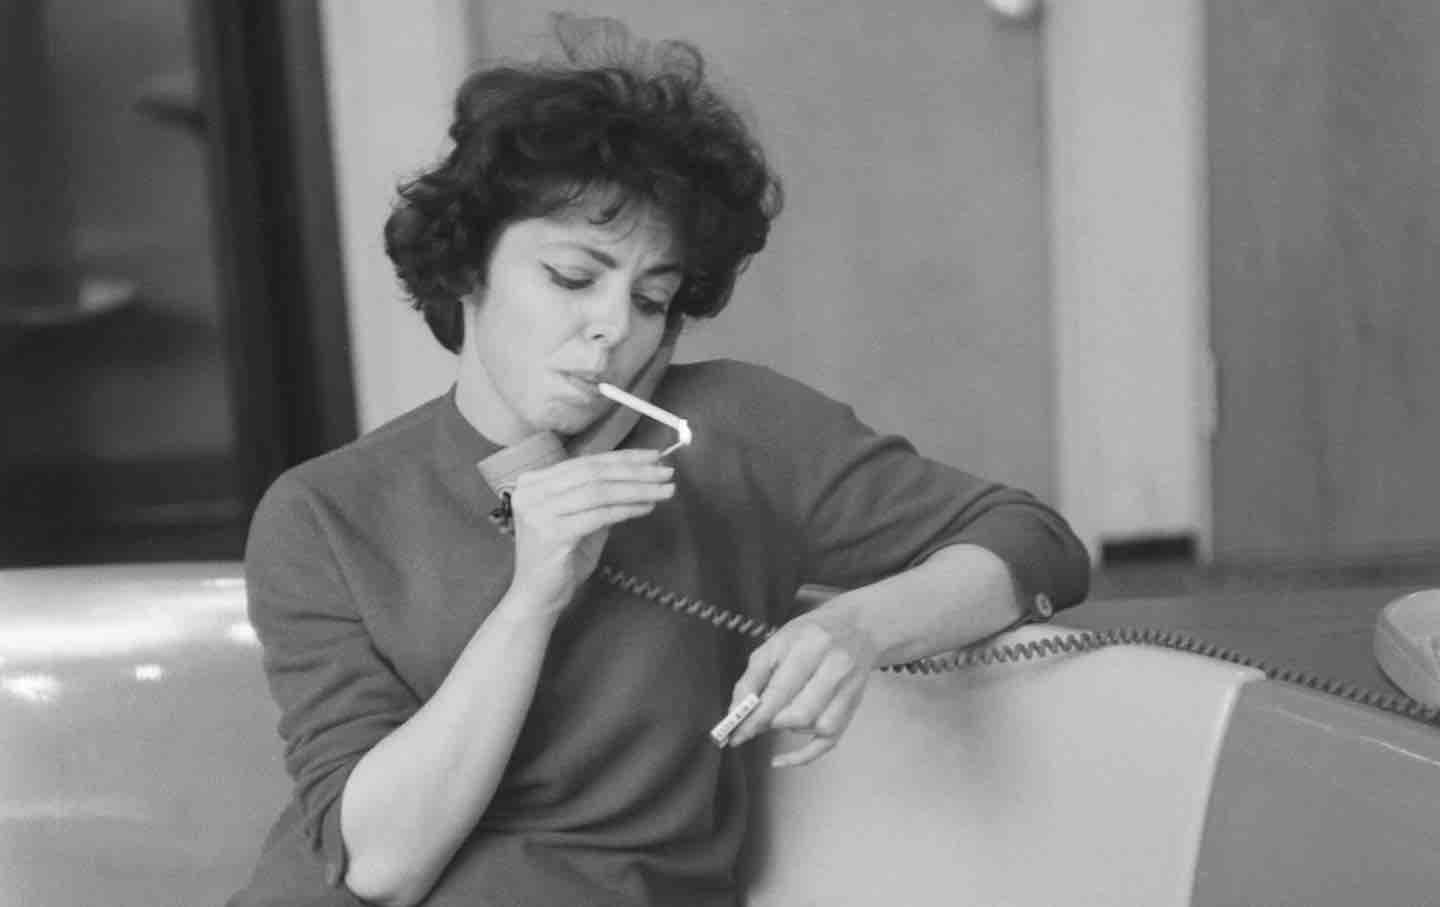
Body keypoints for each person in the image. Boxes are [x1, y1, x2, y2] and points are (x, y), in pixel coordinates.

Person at [229, 14, 1090, 907]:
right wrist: (533, 598)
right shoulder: (322, 513)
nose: (614, 327)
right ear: (470, 267)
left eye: (653, 299)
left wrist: (861, 626)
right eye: (572, 278)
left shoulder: (737, 432)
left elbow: (1037, 542)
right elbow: (381, 864)